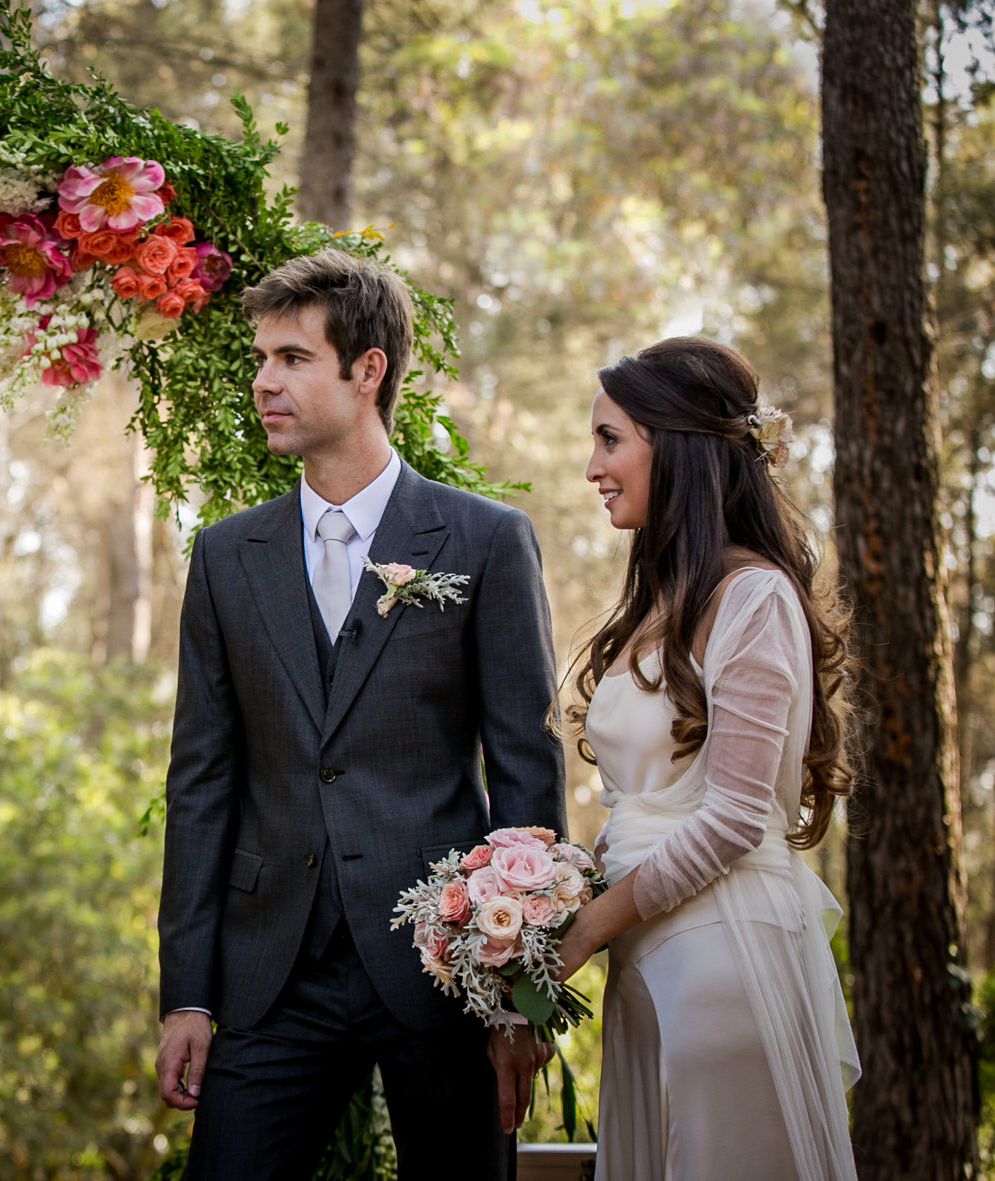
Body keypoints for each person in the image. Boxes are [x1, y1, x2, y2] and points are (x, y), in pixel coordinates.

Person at [154, 249, 565, 1178]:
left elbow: (527, 776)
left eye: (292, 358)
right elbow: (201, 780)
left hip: (446, 969)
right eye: (261, 358)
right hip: (271, 976)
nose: (263, 381)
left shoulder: (485, 540)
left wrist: (517, 998)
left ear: (367, 369)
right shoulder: (227, 556)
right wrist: (187, 993)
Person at [557, 337, 859, 1179]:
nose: (593, 467)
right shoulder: (660, 602)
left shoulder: (754, 597)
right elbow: (649, 804)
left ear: (676, 443)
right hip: (650, 952)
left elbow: (730, 817)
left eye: (610, 439)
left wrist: (584, 928)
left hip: (724, 955)